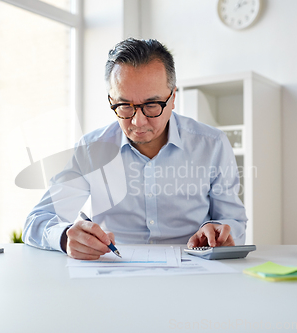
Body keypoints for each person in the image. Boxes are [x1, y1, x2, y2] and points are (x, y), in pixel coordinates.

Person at [23, 38, 247, 260]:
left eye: (152, 105)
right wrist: (64, 237)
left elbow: (234, 221)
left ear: (173, 98)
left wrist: (219, 232)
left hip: (194, 269)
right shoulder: (91, 149)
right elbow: (37, 221)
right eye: (124, 106)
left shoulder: (212, 144)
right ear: (111, 99)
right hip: (114, 271)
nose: (138, 122)